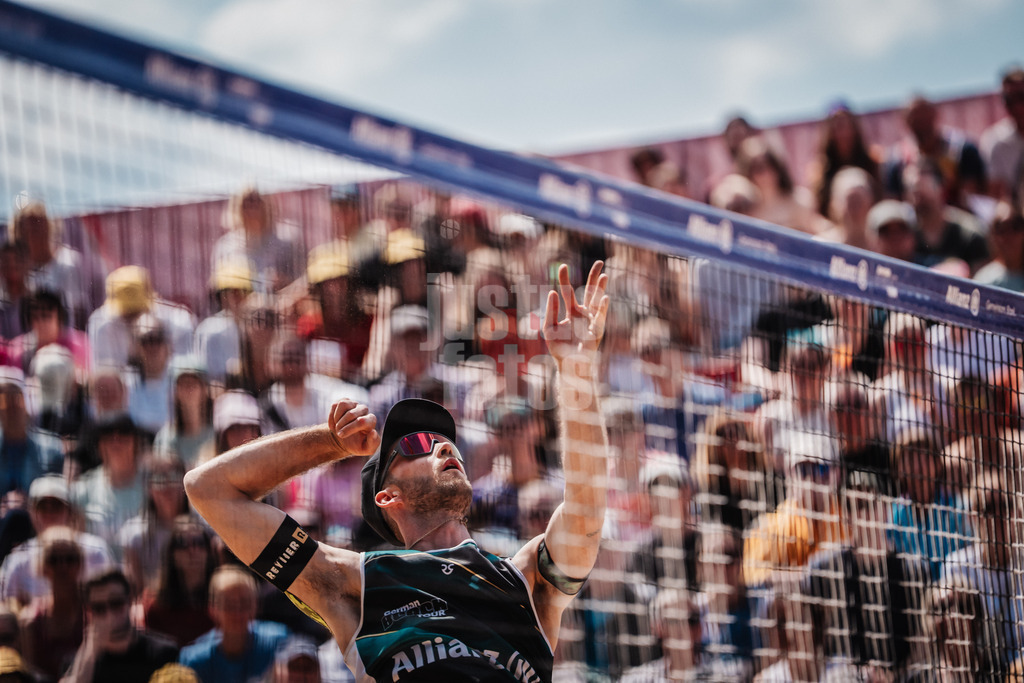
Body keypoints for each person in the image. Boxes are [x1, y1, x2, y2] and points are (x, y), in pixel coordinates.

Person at [184, 262, 610, 682]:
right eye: (417, 445)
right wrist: (329, 442)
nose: (444, 445)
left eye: (445, 441)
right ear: (387, 496)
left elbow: (587, 507)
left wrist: (576, 373)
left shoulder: (525, 579)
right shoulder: (356, 585)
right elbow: (209, 489)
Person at [61, 568, 179, 683]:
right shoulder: (77, 664)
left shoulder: (163, 654)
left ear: (130, 601)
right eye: (99, 608)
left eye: (116, 603)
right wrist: (90, 654)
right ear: (89, 612)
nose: (109, 615)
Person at [177, 566, 290, 683]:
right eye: (229, 605)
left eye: (245, 603)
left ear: (257, 605)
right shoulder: (194, 659)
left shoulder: (279, 643)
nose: (238, 613)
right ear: (212, 609)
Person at [980, 66, 1024, 201]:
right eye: (1008, 99)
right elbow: (997, 197)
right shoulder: (994, 140)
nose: (1016, 106)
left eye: (1021, 96)